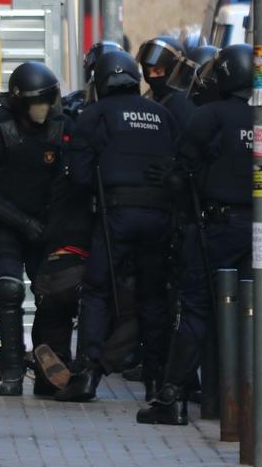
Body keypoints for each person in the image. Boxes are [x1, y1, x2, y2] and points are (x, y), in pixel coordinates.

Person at [138, 43, 255, 425]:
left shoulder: (209, 117)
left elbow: (182, 170)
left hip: (214, 228)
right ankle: (250, 401)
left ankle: (172, 397)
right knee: (254, 312)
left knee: (195, 309)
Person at [57, 50, 179, 402]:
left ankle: (88, 375)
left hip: (116, 216)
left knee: (97, 292)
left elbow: (80, 177)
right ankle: (156, 379)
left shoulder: (93, 115)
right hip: (158, 218)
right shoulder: (162, 114)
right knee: (153, 297)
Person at [0, 62, 71, 396]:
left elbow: (72, 180)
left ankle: (48, 369)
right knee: (9, 289)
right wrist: (23, 223)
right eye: (35, 103)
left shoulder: (62, 127)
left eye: (47, 102)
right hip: (6, 222)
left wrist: (53, 222)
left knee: (54, 295)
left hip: (48, 224)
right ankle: (10, 369)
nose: (42, 110)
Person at [137, 36, 196, 127]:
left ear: (173, 70)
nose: (151, 76)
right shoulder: (151, 96)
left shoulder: (181, 104)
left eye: (157, 71)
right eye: (147, 71)